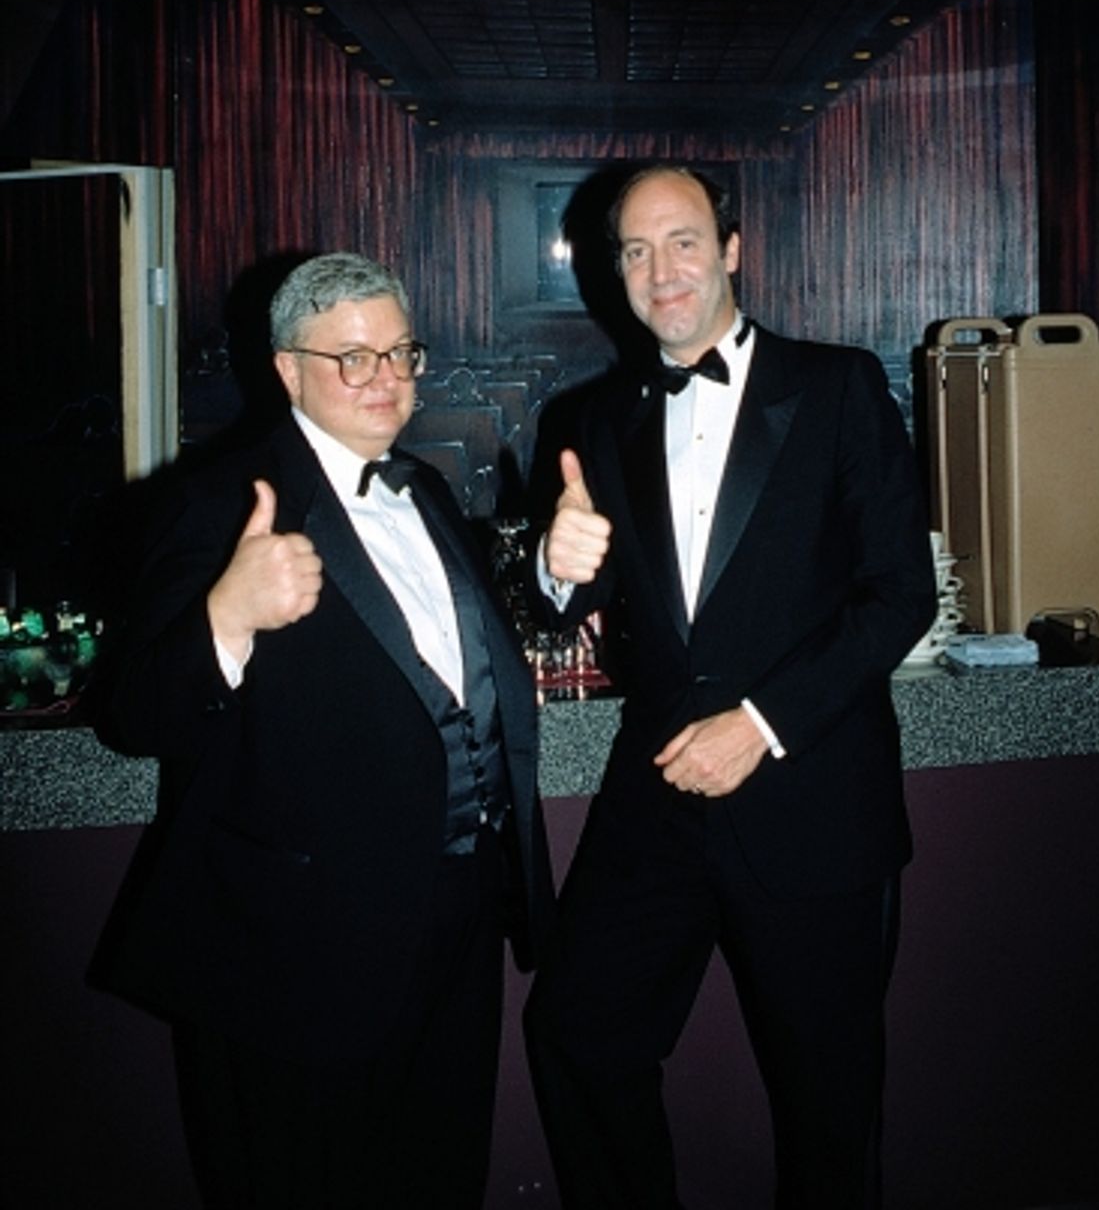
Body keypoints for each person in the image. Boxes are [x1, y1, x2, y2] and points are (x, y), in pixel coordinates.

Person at [93, 252, 551, 1210]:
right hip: (296, 954)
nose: (387, 378)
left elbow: (465, 667)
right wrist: (225, 617)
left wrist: (555, 576)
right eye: (352, 358)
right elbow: (131, 713)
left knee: (439, 1177)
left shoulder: (424, 487)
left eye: (400, 352)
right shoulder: (216, 502)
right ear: (287, 369)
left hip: (457, 915)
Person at [524, 166, 935, 1210]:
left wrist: (761, 723)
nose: (662, 272)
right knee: (577, 1030)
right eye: (634, 250)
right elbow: (564, 608)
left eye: (684, 242)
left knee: (830, 1100)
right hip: (656, 800)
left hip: (812, 796)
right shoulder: (588, 418)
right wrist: (553, 567)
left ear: (733, 248)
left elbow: (900, 597)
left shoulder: (838, 388)